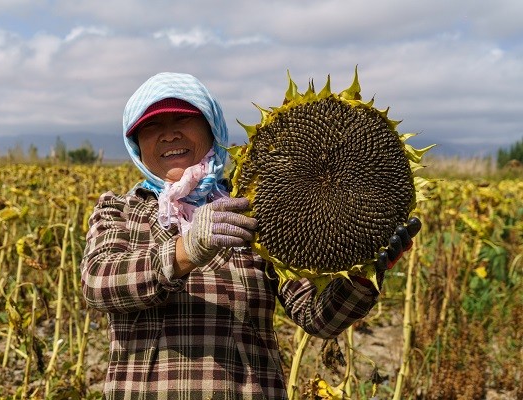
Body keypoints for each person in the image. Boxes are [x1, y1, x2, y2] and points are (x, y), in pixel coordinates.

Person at [79, 72, 421, 399]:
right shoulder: (122, 209)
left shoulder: (256, 208)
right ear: (136, 143)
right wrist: (186, 250)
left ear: (212, 127)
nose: (169, 135)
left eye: (183, 120)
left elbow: (316, 317)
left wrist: (362, 275)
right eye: (152, 126)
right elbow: (98, 284)